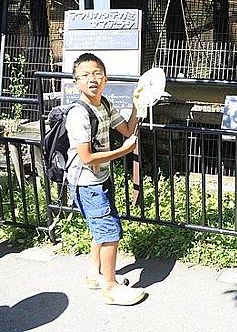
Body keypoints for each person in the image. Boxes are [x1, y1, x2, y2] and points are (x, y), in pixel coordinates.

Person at [66, 52, 146, 306]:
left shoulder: (104, 105)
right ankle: (110, 287)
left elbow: (128, 130)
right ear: (76, 82)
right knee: (110, 232)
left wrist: (137, 103)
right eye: (85, 75)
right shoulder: (79, 113)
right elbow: (87, 158)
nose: (92, 79)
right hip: (87, 182)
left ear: (106, 78)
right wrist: (125, 150)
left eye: (97, 73)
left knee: (99, 229)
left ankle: (94, 274)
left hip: (101, 178)